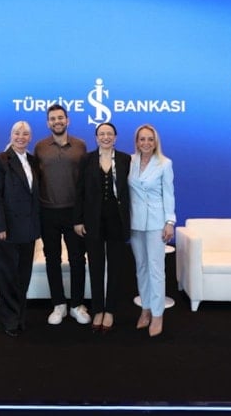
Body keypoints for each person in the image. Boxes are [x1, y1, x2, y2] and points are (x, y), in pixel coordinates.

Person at [34, 104, 91, 325]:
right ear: (48, 123)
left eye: (60, 118)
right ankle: (58, 304)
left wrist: (83, 213)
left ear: (68, 120)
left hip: (74, 213)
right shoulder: (40, 147)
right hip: (47, 212)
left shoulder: (80, 146)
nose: (57, 121)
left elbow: (85, 181)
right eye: (52, 118)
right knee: (52, 259)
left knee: (77, 259)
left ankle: (77, 305)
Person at [73, 122, 131, 332]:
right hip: (92, 221)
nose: (106, 137)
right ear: (96, 138)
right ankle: (98, 309)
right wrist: (78, 220)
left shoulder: (126, 160)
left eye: (110, 134)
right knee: (96, 265)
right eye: (102, 134)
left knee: (115, 266)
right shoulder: (86, 159)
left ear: (115, 137)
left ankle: (111, 310)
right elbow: (79, 192)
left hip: (118, 220)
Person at [0, 120, 41, 337]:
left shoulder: (33, 160)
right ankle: (10, 319)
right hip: (8, 229)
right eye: (17, 133)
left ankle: (20, 316)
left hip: (29, 229)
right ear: (11, 135)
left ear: (30, 137)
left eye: (25, 134)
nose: (21, 137)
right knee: (8, 276)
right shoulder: (0, 160)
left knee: (23, 275)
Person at [128, 124, 176, 337]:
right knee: (141, 267)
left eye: (150, 139)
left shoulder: (165, 163)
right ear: (136, 142)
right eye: (142, 139)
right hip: (135, 221)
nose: (146, 143)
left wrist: (169, 222)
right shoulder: (129, 161)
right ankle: (145, 308)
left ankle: (157, 314)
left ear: (156, 142)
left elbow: (169, 194)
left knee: (156, 269)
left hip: (157, 223)